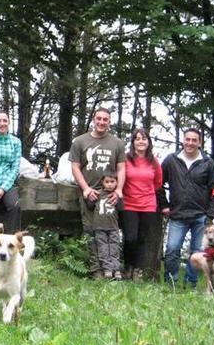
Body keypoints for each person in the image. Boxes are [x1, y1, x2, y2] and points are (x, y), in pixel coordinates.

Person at [159, 127, 214, 288]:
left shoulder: (208, 163)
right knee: (172, 250)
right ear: (183, 141)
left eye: (194, 140)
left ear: (199, 143)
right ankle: (170, 283)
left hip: (201, 215)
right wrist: (164, 205)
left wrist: (211, 215)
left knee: (197, 252)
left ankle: (191, 284)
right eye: (188, 139)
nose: (190, 143)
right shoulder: (171, 160)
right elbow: (158, 183)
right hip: (177, 214)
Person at [69, 107, 125, 278]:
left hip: (110, 195)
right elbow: (75, 166)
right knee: (91, 231)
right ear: (94, 119)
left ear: (109, 122)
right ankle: (97, 270)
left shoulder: (117, 143)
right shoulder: (79, 141)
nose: (101, 122)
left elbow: (121, 168)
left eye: (105, 119)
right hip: (90, 194)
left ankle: (113, 269)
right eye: (99, 118)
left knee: (112, 234)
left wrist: (119, 190)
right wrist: (86, 189)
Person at [120, 128, 163, 281]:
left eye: (144, 138)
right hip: (129, 204)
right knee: (130, 238)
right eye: (137, 139)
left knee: (142, 239)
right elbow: (120, 179)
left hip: (148, 205)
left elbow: (158, 182)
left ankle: (137, 270)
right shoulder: (125, 159)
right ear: (133, 142)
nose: (141, 141)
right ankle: (128, 267)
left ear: (148, 142)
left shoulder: (154, 161)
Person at [91, 170, 124, 280]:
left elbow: (121, 208)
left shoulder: (117, 196)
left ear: (116, 182)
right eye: (107, 182)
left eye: (112, 181)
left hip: (113, 227)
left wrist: (119, 197)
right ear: (102, 182)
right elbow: (90, 204)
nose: (109, 184)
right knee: (103, 249)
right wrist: (88, 194)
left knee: (114, 248)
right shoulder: (98, 194)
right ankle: (107, 269)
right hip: (99, 227)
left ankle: (116, 270)